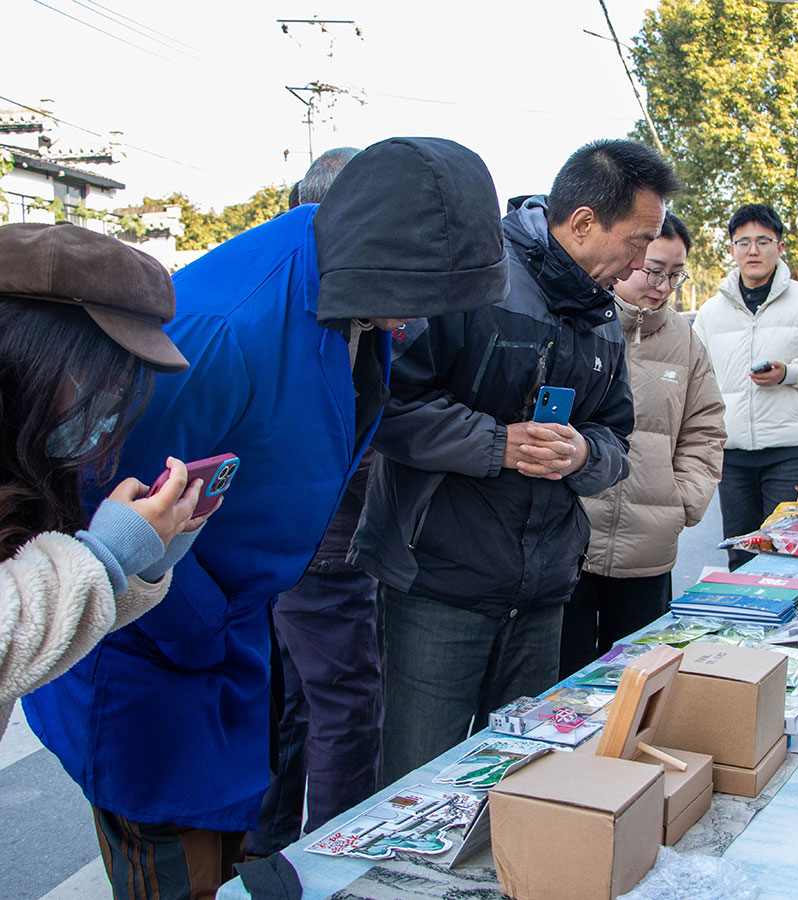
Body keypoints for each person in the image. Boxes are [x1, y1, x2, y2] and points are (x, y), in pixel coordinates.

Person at [24, 137, 510, 899]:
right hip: (153, 646)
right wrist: (197, 630)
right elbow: (112, 514)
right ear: (374, 257)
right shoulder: (223, 332)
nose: (419, 321)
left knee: (224, 849)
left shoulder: (353, 295)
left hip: (227, 628)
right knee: (171, 868)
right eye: (420, 294)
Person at [353, 138, 679, 782]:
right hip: (438, 583)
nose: (645, 261)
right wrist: (496, 444)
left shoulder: (602, 316)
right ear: (584, 223)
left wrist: (585, 451)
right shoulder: (472, 279)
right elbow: (387, 405)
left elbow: (617, 438)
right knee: (416, 786)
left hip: (543, 589)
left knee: (520, 782)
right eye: (638, 240)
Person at [0, 223, 208, 739]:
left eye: (122, 388)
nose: (110, 407)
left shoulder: (25, 464)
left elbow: (35, 646)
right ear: (27, 352)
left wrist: (141, 567)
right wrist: (104, 555)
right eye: (99, 381)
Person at [246, 146, 386, 857]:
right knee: (344, 709)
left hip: (296, 541)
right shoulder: (305, 300)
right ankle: (333, 859)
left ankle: (267, 851)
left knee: (296, 704)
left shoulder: (303, 284)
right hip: (319, 542)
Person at [558, 212, 724, 676]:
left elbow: (706, 429)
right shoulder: (577, 321)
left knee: (637, 687)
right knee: (562, 690)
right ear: (627, 254)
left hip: (647, 551)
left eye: (674, 273)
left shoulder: (685, 342)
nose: (662, 284)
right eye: (652, 269)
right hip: (571, 542)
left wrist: (683, 502)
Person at [691, 203, 798, 570]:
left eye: (763, 241)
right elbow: (696, 375)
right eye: (743, 242)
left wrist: (789, 373)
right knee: (741, 551)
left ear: (780, 247)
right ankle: (746, 625)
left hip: (789, 450)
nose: (753, 250)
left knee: (785, 551)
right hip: (732, 454)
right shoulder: (711, 312)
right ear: (731, 250)